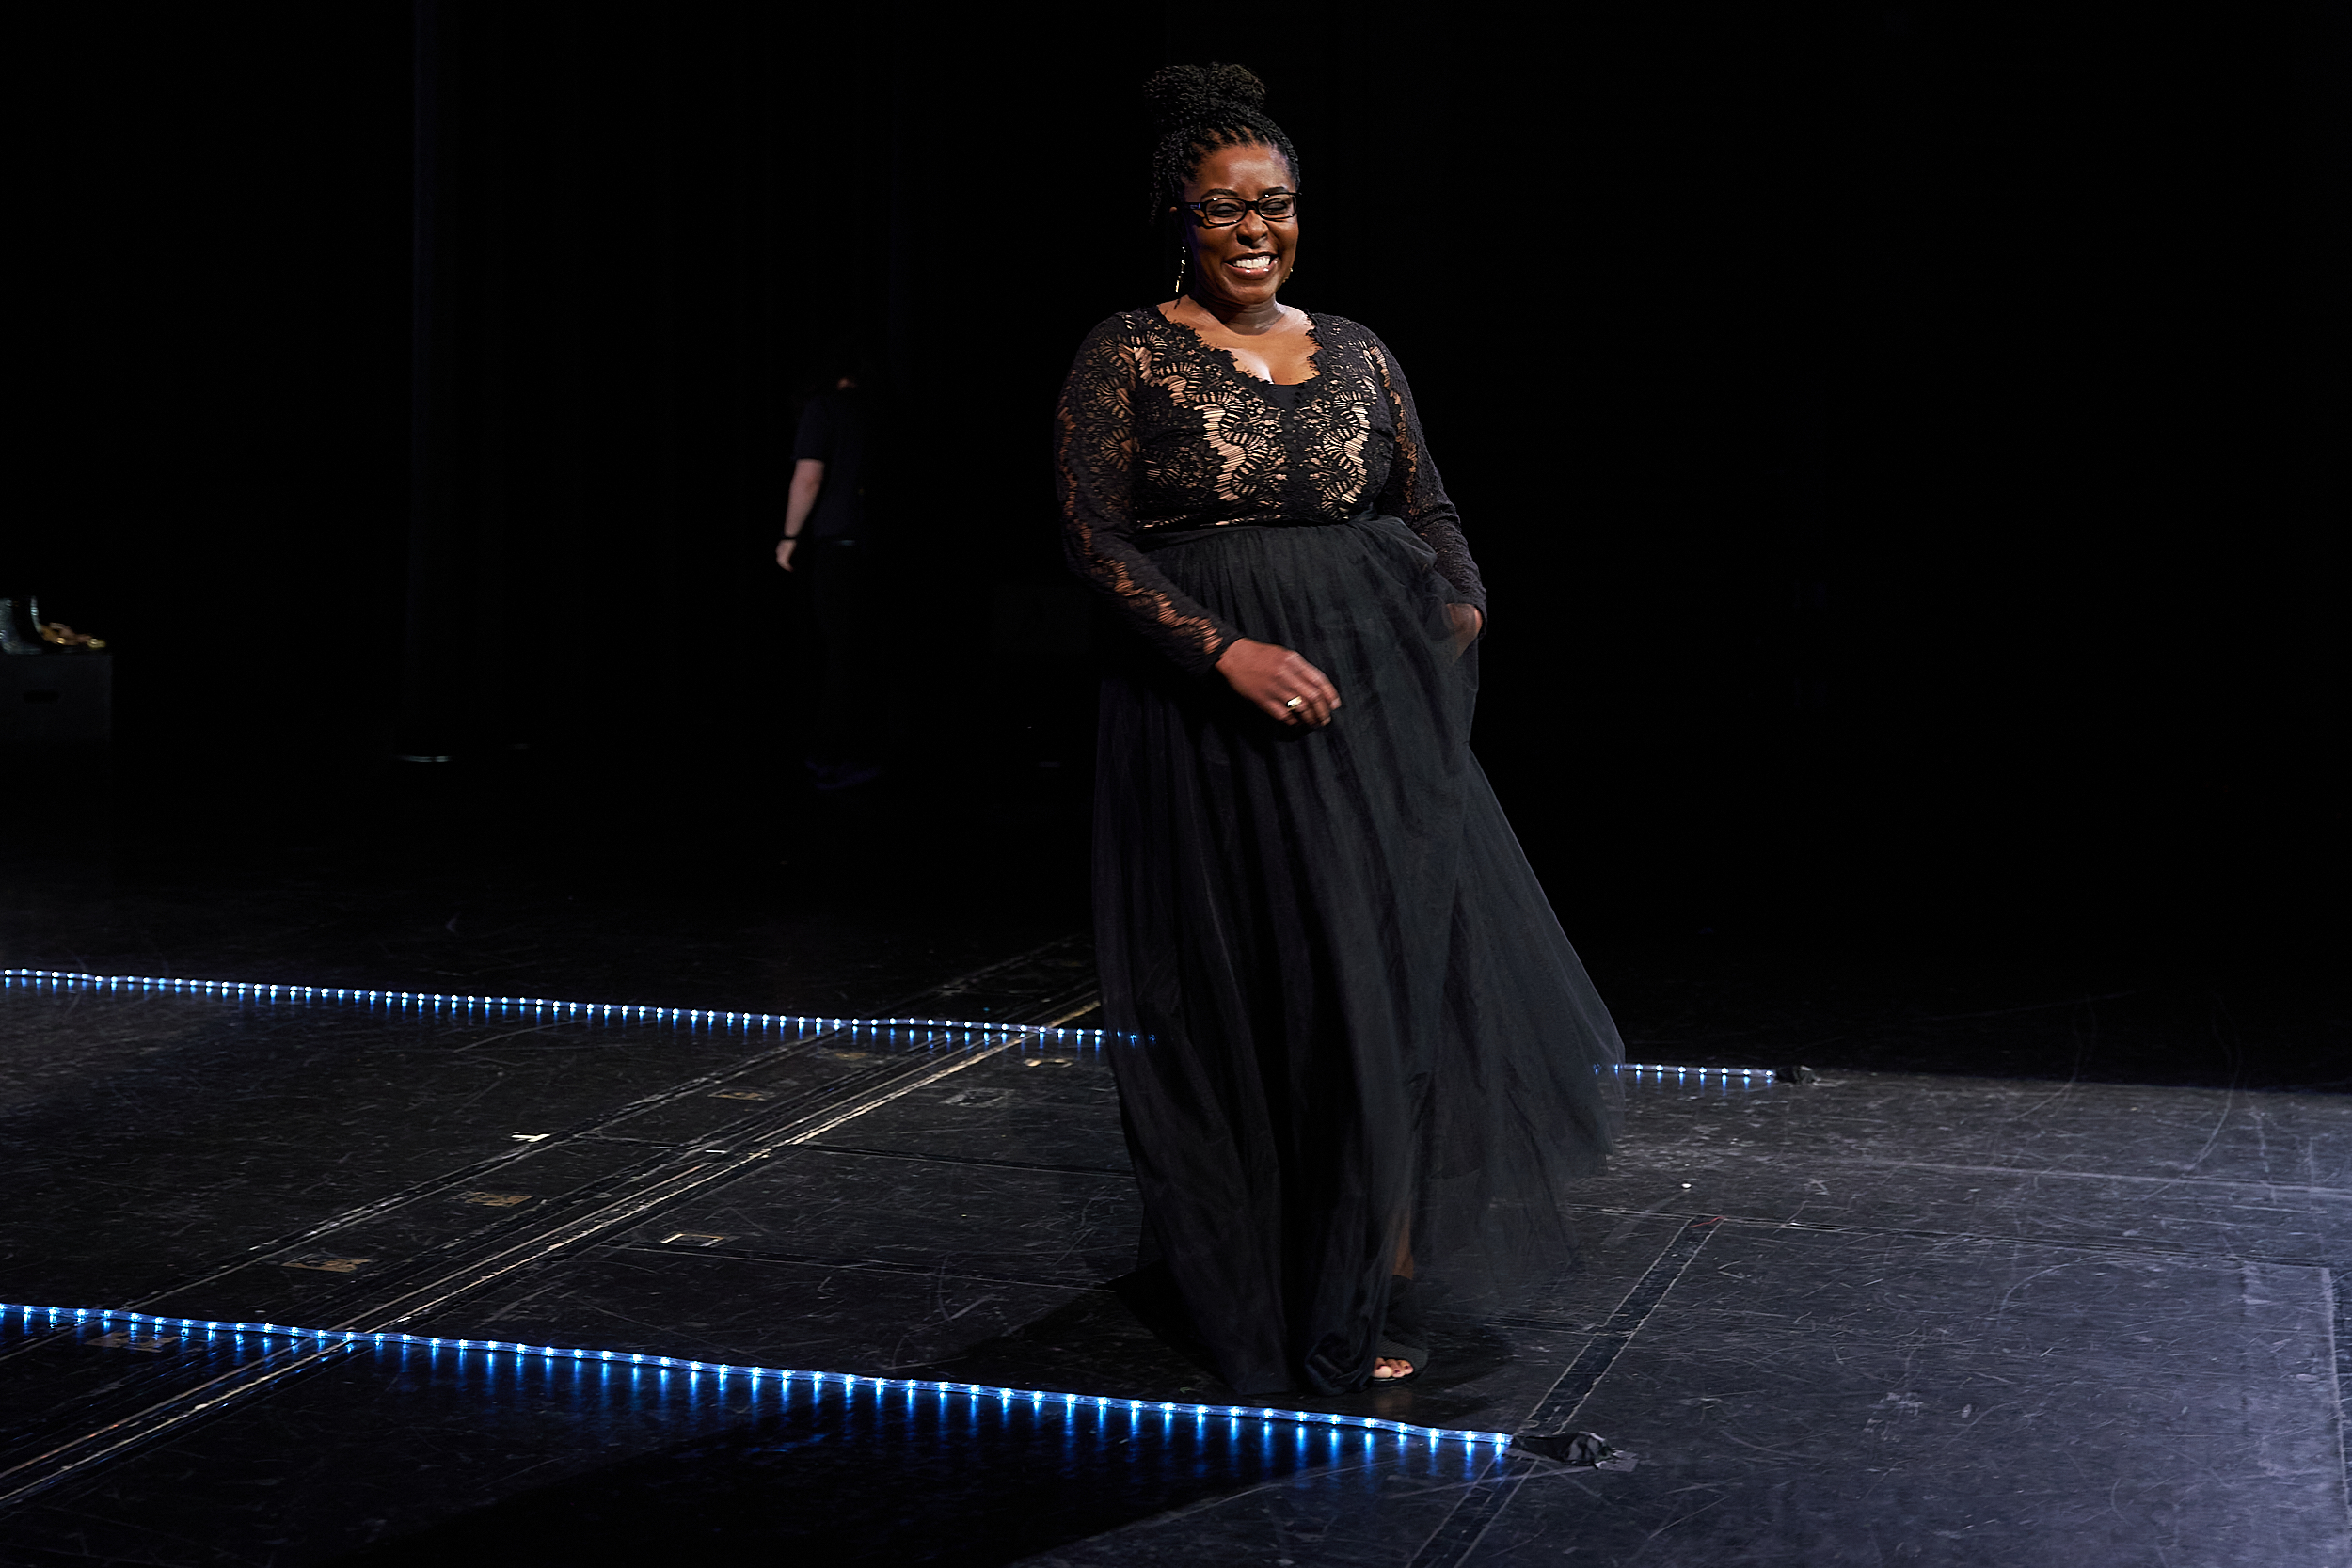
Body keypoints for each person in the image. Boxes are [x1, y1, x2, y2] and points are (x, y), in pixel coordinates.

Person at [1057, 63, 1626, 1396]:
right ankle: (1297, 1272)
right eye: (1223, 207)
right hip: (1225, 722)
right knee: (1288, 993)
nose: (1255, 229)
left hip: (1382, 711)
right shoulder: (1126, 351)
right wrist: (1224, 650)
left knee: (1398, 980)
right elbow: (1092, 536)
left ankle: (1374, 1264)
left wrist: (1462, 603)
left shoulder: (1360, 349)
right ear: (1178, 216)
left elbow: (1429, 506)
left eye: (1275, 203)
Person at [776, 364, 883, 789]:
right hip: (876, 546)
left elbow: (809, 477)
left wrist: (789, 537)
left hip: (840, 546)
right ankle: (857, 754)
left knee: (839, 656)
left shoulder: (824, 409)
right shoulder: (878, 411)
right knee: (863, 654)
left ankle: (831, 757)